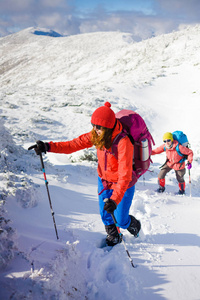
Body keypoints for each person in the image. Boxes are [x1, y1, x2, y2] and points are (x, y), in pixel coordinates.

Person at [29, 102, 141, 246]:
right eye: (93, 125)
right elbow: (73, 144)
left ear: (108, 127)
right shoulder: (97, 135)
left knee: (121, 220)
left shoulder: (123, 142)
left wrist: (114, 200)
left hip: (123, 184)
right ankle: (114, 236)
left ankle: (134, 225)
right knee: (105, 214)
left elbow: (125, 176)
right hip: (104, 181)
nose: (95, 129)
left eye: (98, 126)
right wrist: (48, 146)